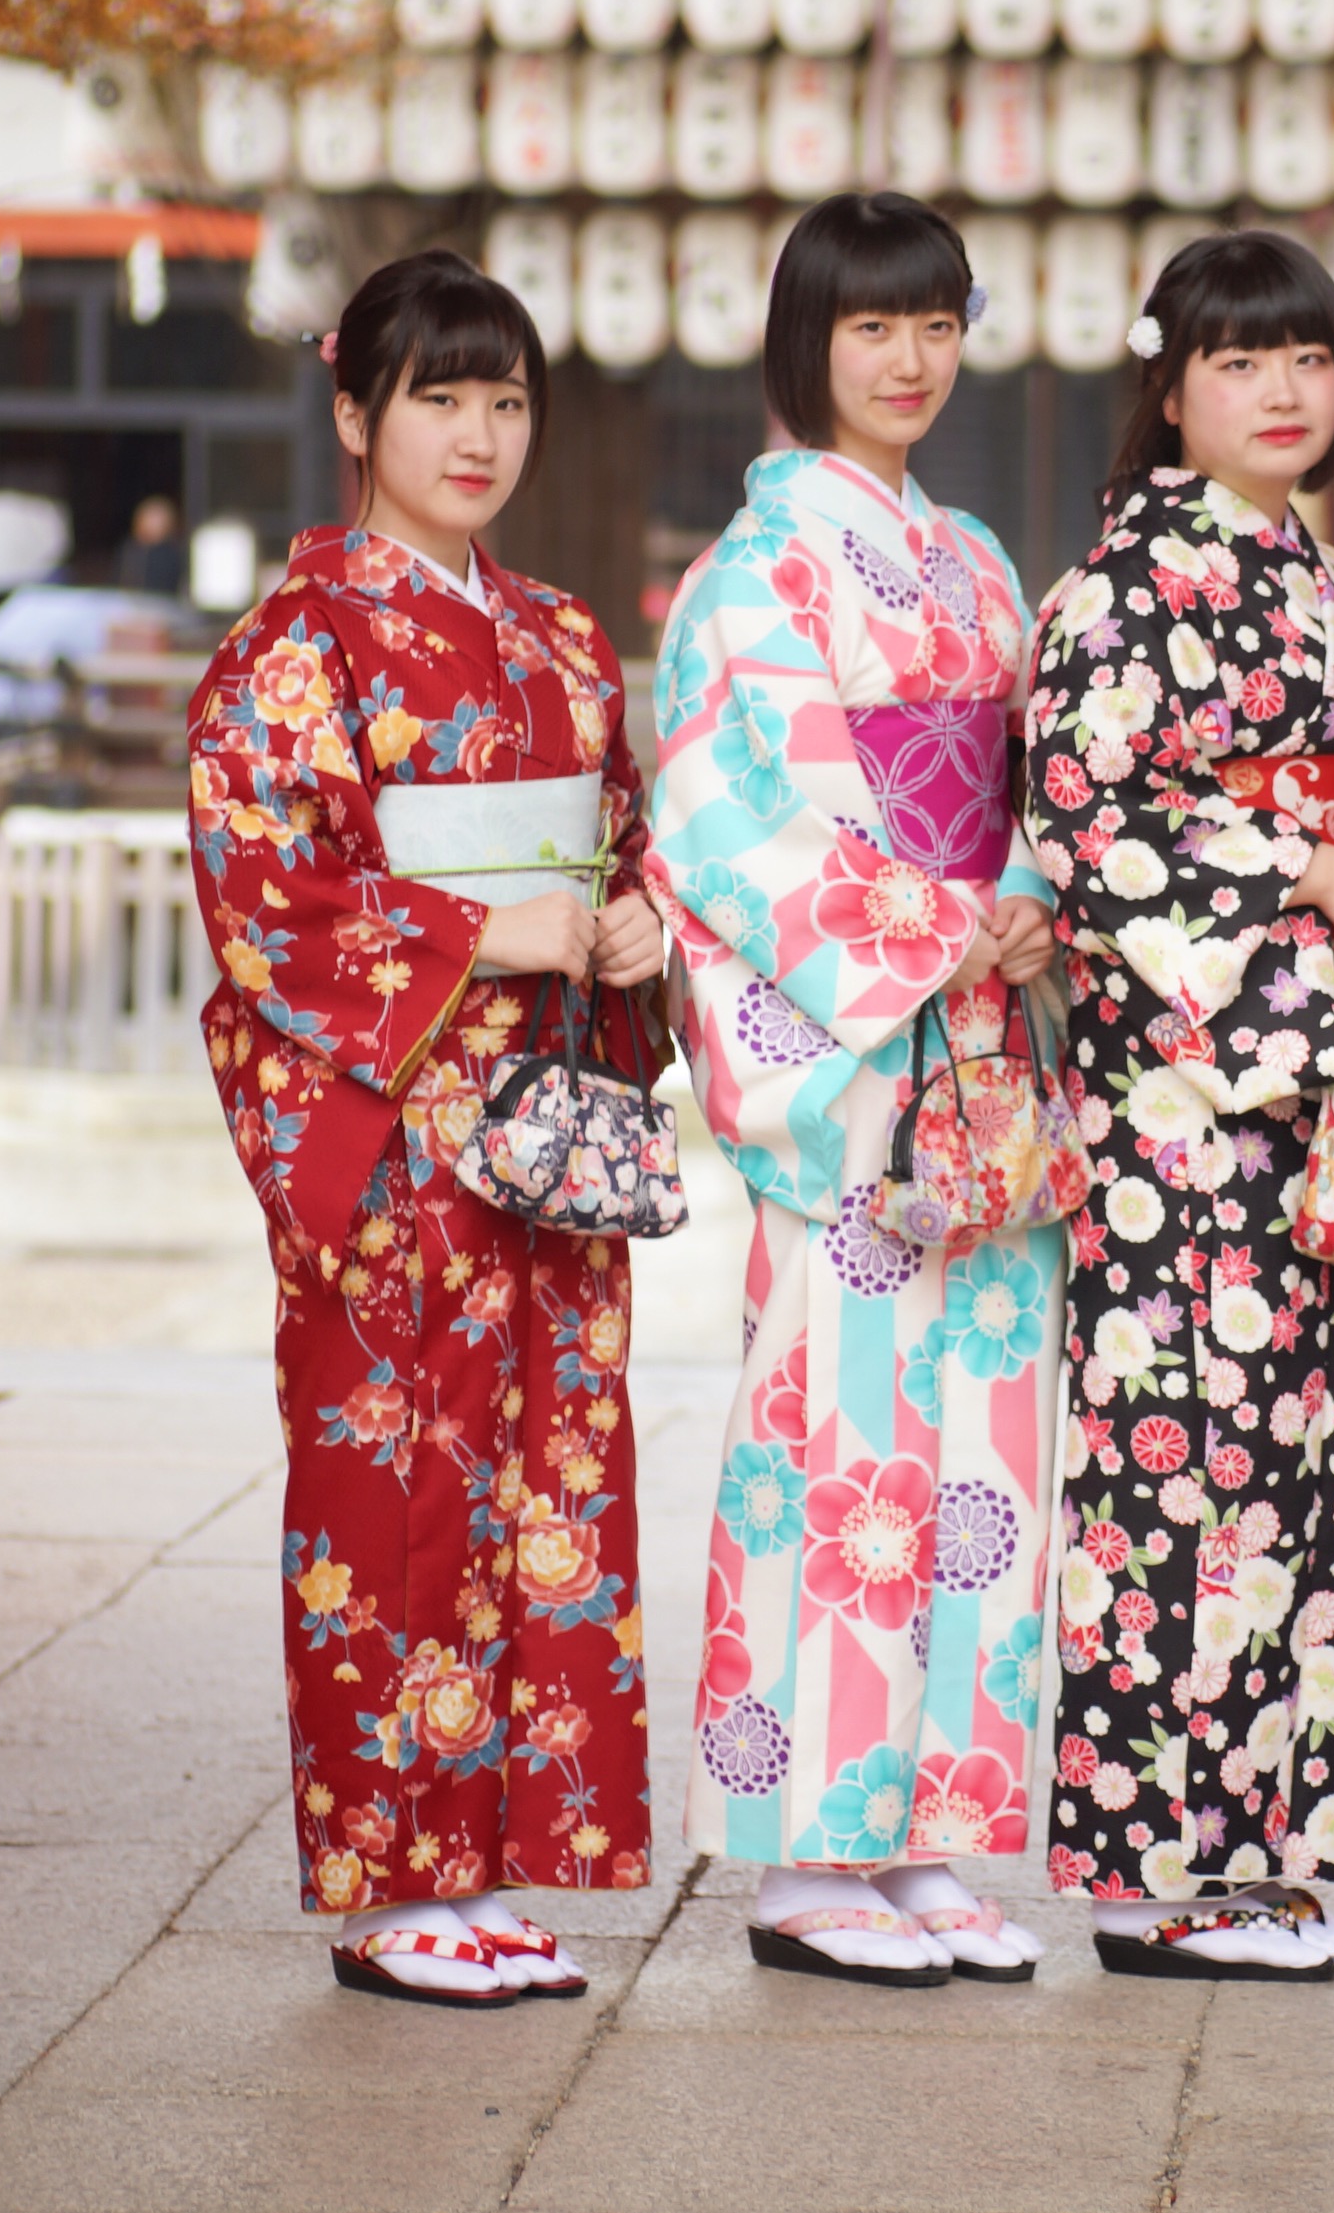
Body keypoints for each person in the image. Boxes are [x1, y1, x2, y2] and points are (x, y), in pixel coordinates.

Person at [183, 248, 668, 2008]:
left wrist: (630, 929)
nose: (478, 432)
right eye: (440, 396)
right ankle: (394, 1889)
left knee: (548, 1487)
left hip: (543, 1129)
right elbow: (269, 904)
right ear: (354, 413)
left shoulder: (556, 634)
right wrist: (479, 929)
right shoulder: (290, 654)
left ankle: (498, 1863)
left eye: (507, 397)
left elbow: (617, 844)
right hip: (390, 1148)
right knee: (395, 1494)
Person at [1019, 232, 1334, 1978]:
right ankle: (1149, 1867)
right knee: (1181, 1477)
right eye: (1241, 361)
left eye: (1310, 359)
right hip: (1189, 1118)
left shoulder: (1330, 587)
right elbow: (1092, 831)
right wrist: (1316, 871)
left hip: (1328, 1105)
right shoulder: (1118, 595)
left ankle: (1265, 1849)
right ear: (1171, 385)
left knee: (1319, 1479)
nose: (1283, 391)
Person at [649, 193, 1064, 1988]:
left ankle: (925, 1835)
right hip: (868, 1057)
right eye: (871, 325)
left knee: (981, 1450)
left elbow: (1043, 766)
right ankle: (807, 1848)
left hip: (984, 1045)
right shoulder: (756, 576)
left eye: (936, 324)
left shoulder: (974, 555)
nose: (908, 359)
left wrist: (1037, 885)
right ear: (807, 339)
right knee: (834, 1441)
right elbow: (739, 822)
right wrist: (955, 923)